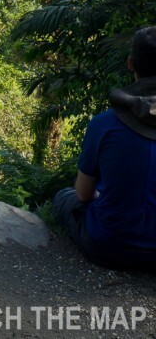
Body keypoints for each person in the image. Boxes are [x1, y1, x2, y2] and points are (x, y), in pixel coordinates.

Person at [52, 26, 156, 271]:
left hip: (108, 247)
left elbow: (84, 194)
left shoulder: (104, 123)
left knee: (65, 198)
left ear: (131, 63)